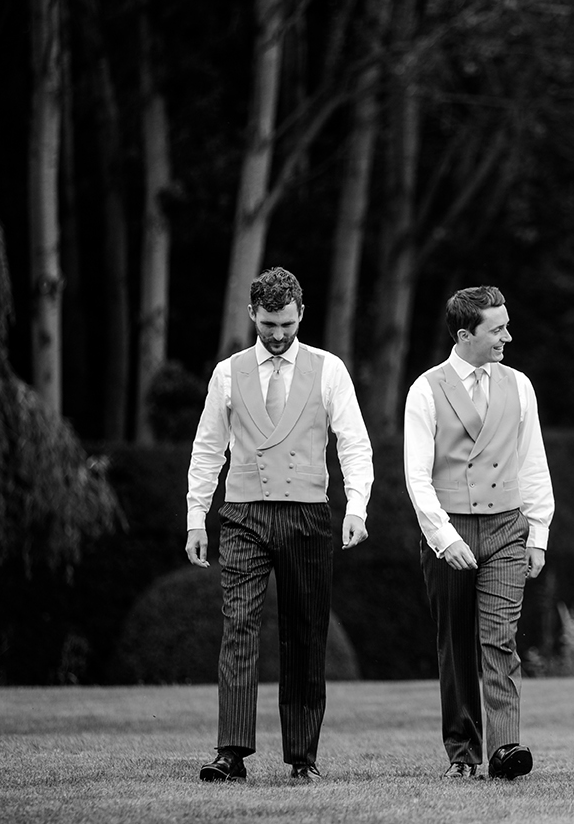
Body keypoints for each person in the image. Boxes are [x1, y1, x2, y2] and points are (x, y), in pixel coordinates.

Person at [184, 267, 373, 783]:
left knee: (305, 631)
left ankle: (302, 757)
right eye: (268, 324)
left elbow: (354, 443)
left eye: (287, 324)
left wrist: (357, 506)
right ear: (252, 314)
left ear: (301, 313)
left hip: (308, 515)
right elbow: (208, 448)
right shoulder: (227, 373)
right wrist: (196, 517)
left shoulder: (329, 369)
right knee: (238, 626)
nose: (278, 334)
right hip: (243, 514)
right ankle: (231, 753)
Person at [403, 285, 554, 780]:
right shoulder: (425, 390)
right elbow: (416, 476)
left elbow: (533, 463)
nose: (508, 337)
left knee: (499, 638)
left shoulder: (520, 385)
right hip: (449, 531)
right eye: (498, 329)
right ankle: (463, 753)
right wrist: (444, 538)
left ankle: (506, 749)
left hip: (507, 528)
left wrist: (538, 534)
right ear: (465, 335)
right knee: (455, 644)